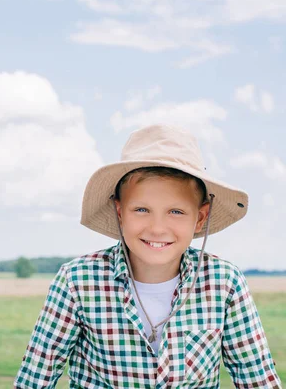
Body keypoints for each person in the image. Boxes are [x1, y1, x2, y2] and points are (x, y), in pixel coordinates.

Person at [15, 124, 281, 388]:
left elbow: (257, 379)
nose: (157, 228)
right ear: (120, 213)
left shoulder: (224, 283)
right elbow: (35, 379)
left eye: (176, 211)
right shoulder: (77, 281)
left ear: (200, 218)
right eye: (141, 209)